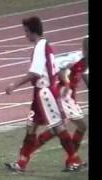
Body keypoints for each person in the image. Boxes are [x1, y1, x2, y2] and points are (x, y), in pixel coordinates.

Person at [4, 16, 82, 172]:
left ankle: (73, 160)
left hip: (44, 93)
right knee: (31, 127)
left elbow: (34, 73)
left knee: (58, 128)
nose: (25, 34)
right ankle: (21, 163)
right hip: (40, 93)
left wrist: (14, 85)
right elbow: (55, 69)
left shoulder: (40, 46)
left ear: (32, 31)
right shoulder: (46, 45)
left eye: (26, 31)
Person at [31, 36, 89, 168]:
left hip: (69, 97)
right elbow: (61, 69)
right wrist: (67, 83)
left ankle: (26, 154)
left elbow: (84, 76)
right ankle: (71, 160)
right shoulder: (75, 58)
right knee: (80, 126)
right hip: (63, 95)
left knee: (55, 130)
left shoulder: (86, 61)